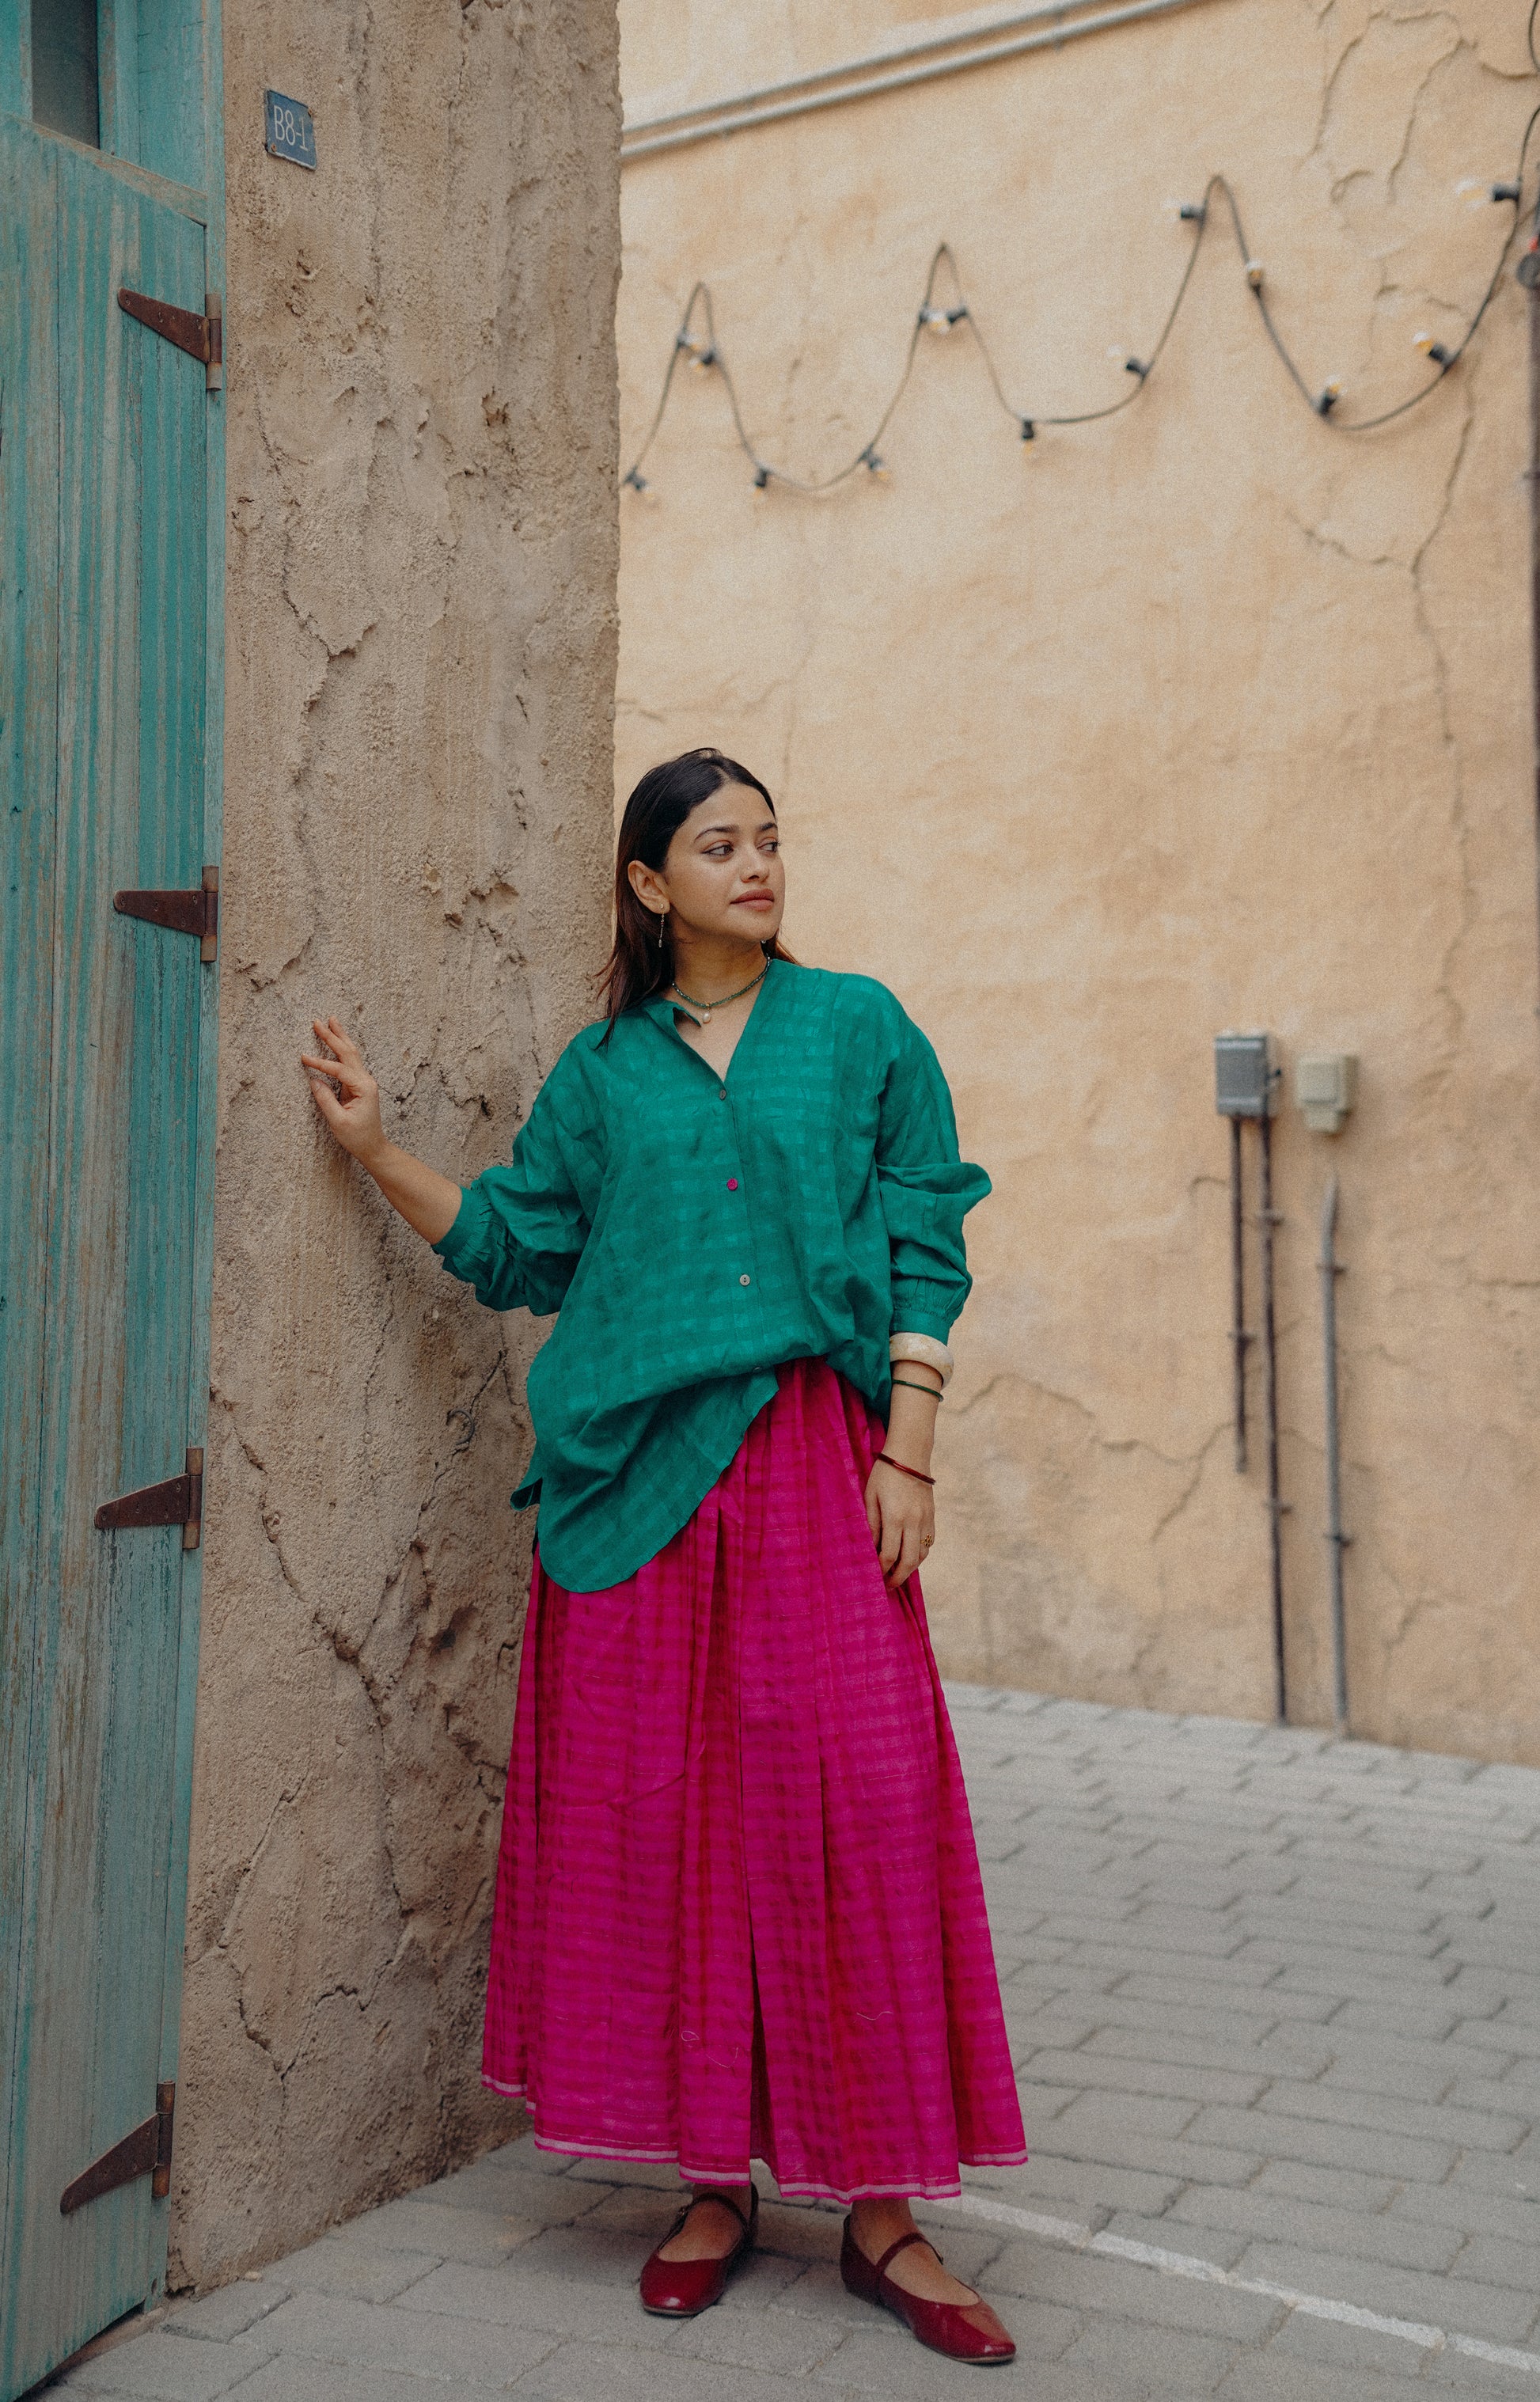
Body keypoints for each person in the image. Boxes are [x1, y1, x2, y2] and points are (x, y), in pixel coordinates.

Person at [302, 747, 1026, 2365]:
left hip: (816, 1464)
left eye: (770, 840)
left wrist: (908, 1439)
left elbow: (927, 1226)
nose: (758, 866)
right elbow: (514, 1248)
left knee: (859, 1802)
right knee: (674, 1827)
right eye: (720, 845)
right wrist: (373, 1149)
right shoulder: (604, 1072)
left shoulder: (859, 1030)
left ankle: (884, 2216)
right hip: (634, 1494)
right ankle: (712, 2189)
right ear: (650, 883)